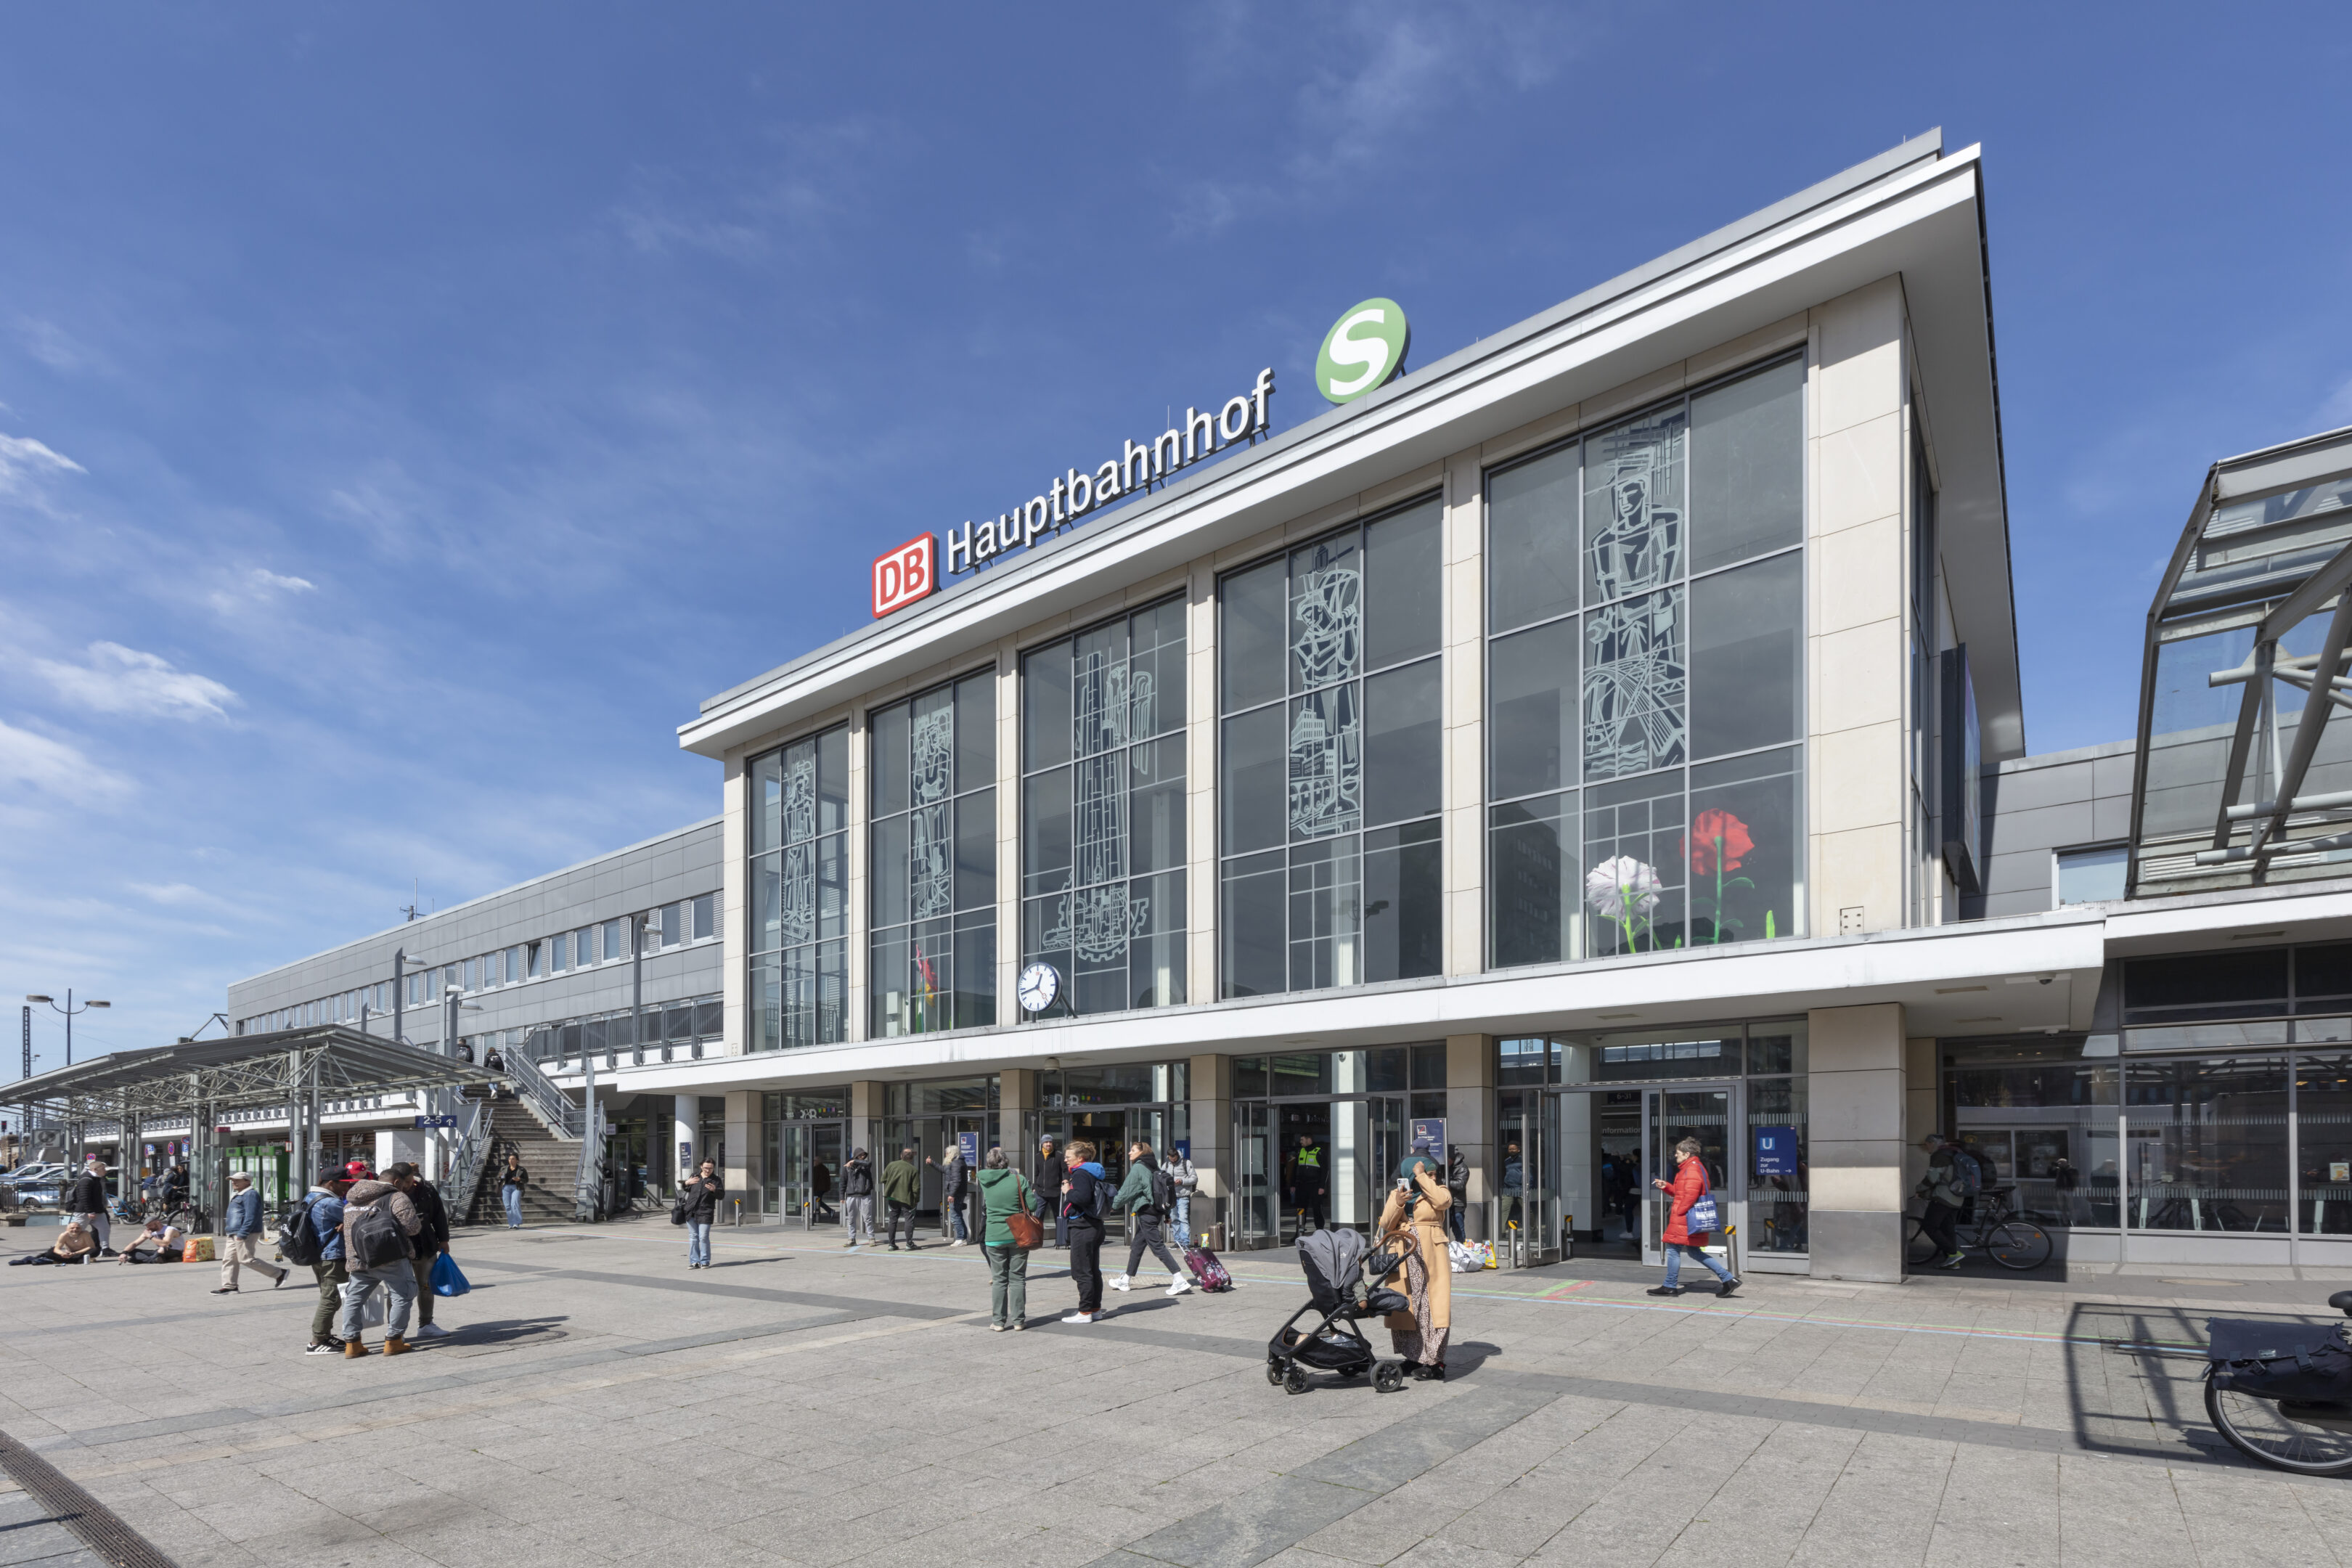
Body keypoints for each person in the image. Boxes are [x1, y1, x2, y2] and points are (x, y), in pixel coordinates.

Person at [1378, 1152, 1453, 1379]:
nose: (1433, 1178)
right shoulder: (1398, 1193)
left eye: (1433, 1175)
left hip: (1432, 1253)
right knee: (1409, 1307)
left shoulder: (1438, 1191)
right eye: (1427, 1174)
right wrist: (1398, 1204)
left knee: (1433, 1308)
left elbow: (1443, 1202)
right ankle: (1413, 1358)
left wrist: (1423, 1178)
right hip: (1404, 1255)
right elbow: (1385, 1223)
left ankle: (1435, 1362)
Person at [338, 1167, 421, 1357]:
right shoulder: (396, 1197)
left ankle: (352, 1344)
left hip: (359, 1258)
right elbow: (412, 1227)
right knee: (402, 1296)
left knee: (354, 1299)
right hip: (391, 1258)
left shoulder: (351, 1200)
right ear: (397, 1183)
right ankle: (393, 1341)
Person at [1649, 1136, 1741, 1297]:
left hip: (1684, 1217)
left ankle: (1670, 1286)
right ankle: (1728, 1280)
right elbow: (1683, 1192)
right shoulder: (1691, 1167)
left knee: (1672, 1250)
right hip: (1687, 1217)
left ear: (1686, 1154)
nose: (1675, 1156)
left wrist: (1679, 1211)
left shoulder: (1692, 1169)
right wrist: (1667, 1186)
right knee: (1694, 1251)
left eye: (1677, 1153)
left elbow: (1691, 1195)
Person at [1108, 1140, 1193, 1297]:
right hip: (1155, 1211)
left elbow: (1127, 1190)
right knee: (1137, 1247)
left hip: (1146, 1211)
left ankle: (1178, 1278)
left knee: (1157, 1247)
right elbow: (1161, 1191)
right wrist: (1167, 1214)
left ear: (1141, 1152)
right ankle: (1125, 1280)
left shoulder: (1139, 1168)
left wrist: (1113, 1206)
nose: (1129, 1153)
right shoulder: (1153, 1165)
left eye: (1133, 1150)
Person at [387, 1163, 452, 1336]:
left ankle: (426, 1324)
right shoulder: (386, 1191)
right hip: (397, 1248)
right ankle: (394, 1330)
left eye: (408, 1181)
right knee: (397, 1289)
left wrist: (443, 1239)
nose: (406, 1186)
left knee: (426, 1285)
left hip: (425, 1245)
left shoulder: (426, 1188)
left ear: (413, 1176)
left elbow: (438, 1214)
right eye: (402, 1182)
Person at [975, 1146, 1034, 1331]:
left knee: (999, 1280)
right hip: (1018, 1235)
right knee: (1017, 1278)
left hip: (993, 1236)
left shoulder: (983, 1179)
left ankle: (998, 1322)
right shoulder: (1018, 1179)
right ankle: (1018, 1321)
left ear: (989, 1163)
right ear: (1006, 1162)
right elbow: (1032, 1204)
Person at [299, 1168, 351, 1355]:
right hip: (332, 1255)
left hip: (318, 1254)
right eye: (344, 1184)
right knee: (331, 1298)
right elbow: (358, 1218)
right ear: (331, 1183)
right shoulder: (330, 1203)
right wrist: (349, 1221)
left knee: (329, 1295)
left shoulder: (310, 1197)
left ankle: (326, 1336)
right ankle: (317, 1341)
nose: (346, 1187)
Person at [212, 1172, 287, 1294]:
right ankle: (230, 1286)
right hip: (233, 1232)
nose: (234, 1182)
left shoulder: (250, 1194)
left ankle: (279, 1273)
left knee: (246, 1259)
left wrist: (243, 1233)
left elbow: (251, 1216)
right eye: (232, 1180)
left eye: (237, 1180)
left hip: (244, 1232)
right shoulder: (239, 1194)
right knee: (229, 1259)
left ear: (247, 1181)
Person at [1060, 1140, 1108, 1323]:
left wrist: (1067, 1191)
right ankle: (1095, 1308)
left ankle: (1085, 1311)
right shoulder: (1092, 1172)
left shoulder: (1080, 1174)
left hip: (1082, 1226)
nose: (1065, 1160)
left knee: (1082, 1270)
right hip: (1094, 1226)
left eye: (1068, 1157)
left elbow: (1082, 1197)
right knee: (1093, 1269)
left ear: (1080, 1158)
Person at [1914, 1134, 1967, 1271]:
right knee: (1947, 1229)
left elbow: (1932, 1178)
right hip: (1957, 1197)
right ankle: (1953, 1262)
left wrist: (1919, 1189)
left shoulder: (1940, 1155)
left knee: (1929, 1226)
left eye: (1927, 1145)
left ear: (1932, 1143)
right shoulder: (1955, 1153)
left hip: (1943, 1198)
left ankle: (1954, 1254)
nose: (1927, 1148)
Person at [65, 1156, 114, 1257]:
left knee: (105, 1228)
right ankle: (69, 1249)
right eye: (103, 1169)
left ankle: (105, 1249)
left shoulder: (96, 1179)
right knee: (76, 1230)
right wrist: (90, 1211)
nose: (105, 1171)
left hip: (98, 1211)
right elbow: (84, 1197)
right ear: (95, 1169)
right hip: (84, 1212)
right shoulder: (86, 1180)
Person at [679, 1158, 722, 1268]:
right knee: (693, 1237)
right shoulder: (695, 1176)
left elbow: (721, 1196)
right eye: (706, 1168)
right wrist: (686, 1183)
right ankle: (694, 1261)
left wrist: (715, 1190)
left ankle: (705, 1261)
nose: (708, 1170)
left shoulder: (716, 1180)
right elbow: (686, 1189)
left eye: (711, 1168)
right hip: (691, 1211)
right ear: (701, 1167)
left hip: (706, 1212)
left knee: (703, 1237)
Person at [881, 1147, 922, 1250]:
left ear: (901, 1156)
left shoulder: (891, 1165)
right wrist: (916, 1199)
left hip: (892, 1197)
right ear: (912, 1159)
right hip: (907, 1199)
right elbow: (916, 1188)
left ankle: (891, 1244)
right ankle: (909, 1244)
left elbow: (883, 1179)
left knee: (893, 1221)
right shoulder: (913, 1170)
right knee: (909, 1220)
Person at [931, 1139, 970, 1245]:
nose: (946, 1155)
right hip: (957, 1193)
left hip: (955, 1194)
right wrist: (932, 1163)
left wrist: (952, 1194)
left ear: (951, 1153)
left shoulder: (956, 1163)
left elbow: (957, 1181)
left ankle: (961, 1238)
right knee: (957, 1214)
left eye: (947, 1153)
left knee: (954, 1215)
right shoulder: (955, 1162)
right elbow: (945, 1170)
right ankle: (963, 1237)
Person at [9, 1220, 97, 1265]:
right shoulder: (64, 1235)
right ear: (67, 1229)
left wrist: (75, 1253)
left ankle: (68, 1260)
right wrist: (62, 1254)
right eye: (72, 1228)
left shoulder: (85, 1234)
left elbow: (91, 1247)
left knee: (95, 1250)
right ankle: (75, 1261)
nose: (75, 1230)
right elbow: (57, 1249)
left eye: (78, 1228)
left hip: (80, 1253)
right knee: (50, 1252)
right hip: (69, 1255)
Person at [1289, 1132, 1328, 1231]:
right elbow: (1295, 1169)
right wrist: (1293, 1184)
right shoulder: (1300, 1151)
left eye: (1302, 1140)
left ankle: (1320, 1231)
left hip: (1315, 1185)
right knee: (1301, 1209)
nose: (1300, 1142)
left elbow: (1325, 1171)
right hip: (1302, 1185)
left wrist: (1322, 1187)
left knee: (1317, 1209)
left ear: (1309, 1140)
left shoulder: (1319, 1152)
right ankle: (1300, 1230)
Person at [840, 1147, 875, 1247]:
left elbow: (869, 1163)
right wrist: (842, 1196)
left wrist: (855, 1161)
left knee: (867, 1218)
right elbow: (843, 1182)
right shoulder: (846, 1168)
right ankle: (851, 1239)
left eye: (863, 1155)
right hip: (851, 1196)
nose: (862, 1157)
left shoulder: (865, 1166)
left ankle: (871, 1238)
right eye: (860, 1155)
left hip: (865, 1195)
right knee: (851, 1219)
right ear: (855, 1155)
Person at [1164, 1145, 1198, 1249]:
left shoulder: (1186, 1163)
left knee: (1183, 1219)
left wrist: (1182, 1181)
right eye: (1171, 1159)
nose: (1173, 1161)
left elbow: (1194, 1179)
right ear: (1168, 1157)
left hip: (1183, 1196)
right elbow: (1160, 1177)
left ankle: (1186, 1242)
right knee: (1174, 1219)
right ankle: (1178, 1242)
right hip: (1171, 1197)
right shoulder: (1166, 1165)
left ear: (1177, 1155)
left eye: (1175, 1159)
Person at [1037, 1138, 1068, 1248]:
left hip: (1055, 1191)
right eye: (1046, 1142)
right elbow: (1037, 1173)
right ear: (1042, 1144)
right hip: (1041, 1192)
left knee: (1058, 1216)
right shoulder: (1038, 1156)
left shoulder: (1059, 1156)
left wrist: (1066, 1180)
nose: (1048, 1144)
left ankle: (1060, 1240)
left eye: (1050, 1142)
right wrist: (1035, 1186)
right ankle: (1037, 1241)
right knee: (1038, 1217)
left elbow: (1065, 1170)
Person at [119, 1214, 186, 1263]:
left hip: (175, 1252)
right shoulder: (151, 1231)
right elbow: (135, 1243)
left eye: (150, 1225)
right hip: (158, 1252)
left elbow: (166, 1243)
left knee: (162, 1249)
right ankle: (155, 1259)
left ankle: (147, 1260)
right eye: (147, 1226)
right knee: (131, 1251)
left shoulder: (170, 1230)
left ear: (158, 1223)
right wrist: (124, 1253)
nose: (148, 1228)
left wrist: (150, 1237)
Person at [1445, 1145, 1470, 1245]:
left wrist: (1444, 1181)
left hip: (1457, 1203)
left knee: (1458, 1230)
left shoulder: (1462, 1168)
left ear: (1452, 1158)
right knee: (1443, 1230)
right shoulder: (1444, 1166)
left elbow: (1460, 1185)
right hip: (1445, 1202)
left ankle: (1462, 1251)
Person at [499, 1151, 528, 1229]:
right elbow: (498, 1179)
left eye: (513, 1159)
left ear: (517, 1160)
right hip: (506, 1188)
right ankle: (511, 1223)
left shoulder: (522, 1169)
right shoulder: (503, 1168)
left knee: (514, 1203)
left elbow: (526, 1180)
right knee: (508, 1206)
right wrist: (500, 1177)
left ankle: (516, 1222)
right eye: (509, 1159)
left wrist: (519, 1179)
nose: (511, 1160)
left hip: (516, 1187)